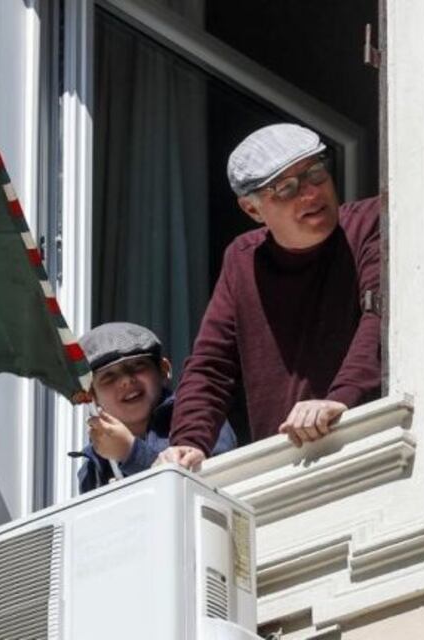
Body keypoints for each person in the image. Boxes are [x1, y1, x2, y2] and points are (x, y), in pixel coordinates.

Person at [160, 123, 382, 471]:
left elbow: (381, 317)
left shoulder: (372, 222)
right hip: (288, 466)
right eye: (285, 188)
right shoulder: (243, 261)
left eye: (315, 172)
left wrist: (340, 399)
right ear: (252, 210)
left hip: (372, 443)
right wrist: (188, 443)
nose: (310, 193)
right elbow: (211, 366)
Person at [76, 322, 237, 492]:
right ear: (91, 396)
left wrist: (132, 453)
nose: (126, 380)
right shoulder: (92, 468)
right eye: (108, 376)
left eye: (137, 366)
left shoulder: (199, 421)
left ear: (163, 370)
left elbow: (216, 490)